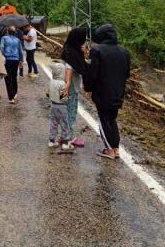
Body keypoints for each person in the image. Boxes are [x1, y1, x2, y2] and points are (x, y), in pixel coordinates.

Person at [85, 23, 131, 160]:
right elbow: (127, 74)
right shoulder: (124, 51)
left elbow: (92, 73)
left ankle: (109, 150)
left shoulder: (97, 50)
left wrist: (88, 88)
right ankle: (116, 149)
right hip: (118, 92)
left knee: (104, 120)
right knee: (112, 119)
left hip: (102, 92)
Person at [61, 27, 89, 148]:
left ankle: (64, 134)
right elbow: (69, 67)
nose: (84, 41)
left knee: (68, 109)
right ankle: (69, 137)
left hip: (72, 84)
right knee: (71, 110)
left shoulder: (72, 48)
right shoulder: (71, 52)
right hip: (71, 85)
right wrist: (67, 84)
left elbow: (81, 64)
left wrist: (84, 52)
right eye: (83, 39)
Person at [47, 62, 74, 151]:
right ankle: (66, 142)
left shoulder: (51, 82)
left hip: (53, 105)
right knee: (64, 124)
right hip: (62, 106)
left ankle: (51, 141)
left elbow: (47, 94)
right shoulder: (63, 84)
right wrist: (68, 97)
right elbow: (64, 98)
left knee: (53, 123)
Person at [0, 26, 22, 103]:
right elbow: (20, 51)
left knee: (7, 78)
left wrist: (3, 56)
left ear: (7, 32)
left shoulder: (4, 38)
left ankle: (11, 97)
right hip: (16, 60)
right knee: (14, 76)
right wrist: (21, 61)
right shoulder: (18, 40)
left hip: (7, 60)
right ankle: (15, 93)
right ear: (14, 32)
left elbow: (1, 48)